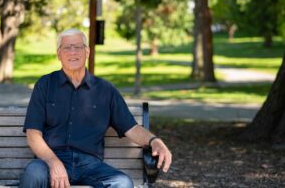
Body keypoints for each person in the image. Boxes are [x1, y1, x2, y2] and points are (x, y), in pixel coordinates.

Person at [19, 28, 172, 188]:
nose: (73, 52)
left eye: (78, 47)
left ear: (87, 52)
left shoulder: (105, 90)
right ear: (59, 54)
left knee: (122, 183)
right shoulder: (45, 84)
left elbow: (131, 128)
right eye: (67, 47)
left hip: (89, 165)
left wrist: (155, 141)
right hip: (49, 160)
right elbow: (33, 134)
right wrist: (54, 163)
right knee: (33, 174)